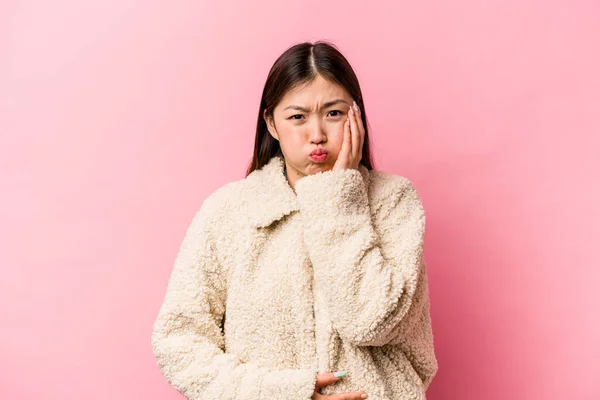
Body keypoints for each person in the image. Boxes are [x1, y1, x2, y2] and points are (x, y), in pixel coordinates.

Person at [151, 40, 438, 400]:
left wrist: (338, 196)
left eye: (333, 113)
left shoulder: (393, 201)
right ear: (271, 122)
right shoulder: (228, 212)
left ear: (357, 115)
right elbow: (179, 341)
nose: (316, 134)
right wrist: (281, 393)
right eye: (297, 117)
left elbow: (372, 321)